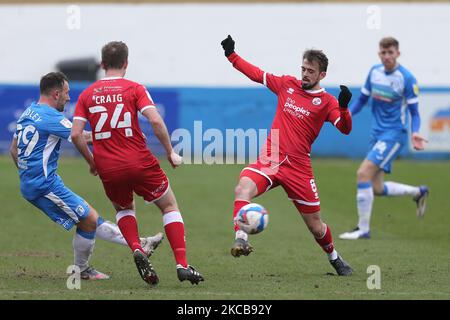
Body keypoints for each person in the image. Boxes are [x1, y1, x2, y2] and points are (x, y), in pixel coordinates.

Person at [71, 41, 204, 285]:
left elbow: (76, 135)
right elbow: (154, 121)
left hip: (108, 167)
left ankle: (136, 247)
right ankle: (182, 265)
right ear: (126, 63)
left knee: (124, 208)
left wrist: (92, 162)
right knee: (169, 206)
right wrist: (170, 152)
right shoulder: (134, 88)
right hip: (139, 160)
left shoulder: (87, 94)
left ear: (102, 64)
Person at [10, 72, 163, 281]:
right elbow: (79, 135)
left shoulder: (28, 112)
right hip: (43, 186)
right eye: (66, 93)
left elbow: (13, 149)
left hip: (40, 183)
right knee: (89, 220)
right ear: (55, 94)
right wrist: (118, 134)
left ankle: (138, 244)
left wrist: (26, 174)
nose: (68, 97)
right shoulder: (51, 116)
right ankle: (87, 268)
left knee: (88, 219)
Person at [221, 35, 354, 276]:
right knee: (242, 189)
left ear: (321, 75)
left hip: (299, 169)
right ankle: (241, 238)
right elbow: (257, 74)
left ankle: (334, 257)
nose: (304, 74)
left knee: (316, 226)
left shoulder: (327, 102)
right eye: (303, 68)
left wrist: (344, 109)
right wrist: (232, 56)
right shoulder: (286, 85)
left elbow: (345, 128)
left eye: (310, 71)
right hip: (270, 159)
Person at [339, 37, 429, 240]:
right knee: (376, 187)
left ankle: (363, 229)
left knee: (362, 174)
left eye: (390, 52)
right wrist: (345, 115)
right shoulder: (374, 72)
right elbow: (361, 100)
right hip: (377, 134)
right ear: (379, 53)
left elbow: (414, 112)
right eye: (383, 52)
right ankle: (418, 192)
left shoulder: (406, 78)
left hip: (394, 135)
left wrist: (415, 131)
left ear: (398, 53)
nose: (387, 56)